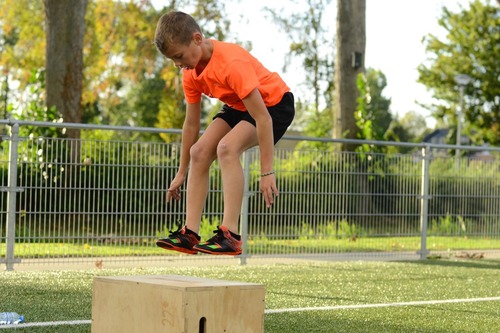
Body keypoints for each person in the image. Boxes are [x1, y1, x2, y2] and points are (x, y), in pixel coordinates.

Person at [154, 11, 294, 256]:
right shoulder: (190, 73)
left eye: (179, 56)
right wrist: (181, 171)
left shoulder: (230, 63)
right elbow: (190, 125)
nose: (178, 64)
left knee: (227, 148)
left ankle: (230, 235)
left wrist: (267, 171)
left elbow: (262, 118)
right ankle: (190, 234)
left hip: (273, 104)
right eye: (172, 60)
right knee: (198, 152)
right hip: (239, 104)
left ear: (197, 39)